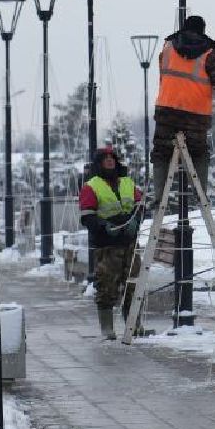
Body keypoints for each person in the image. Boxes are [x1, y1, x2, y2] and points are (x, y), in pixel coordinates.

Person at [148, 15, 215, 208]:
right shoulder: (209, 54)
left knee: (161, 154)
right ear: (203, 30)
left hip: (166, 113)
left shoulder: (167, 48)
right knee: (199, 154)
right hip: (196, 117)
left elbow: (164, 72)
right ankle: (200, 195)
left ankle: (159, 197)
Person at [79, 146, 143, 340]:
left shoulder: (127, 182)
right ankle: (107, 328)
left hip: (129, 242)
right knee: (107, 286)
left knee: (133, 284)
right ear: (98, 164)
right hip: (107, 245)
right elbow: (87, 216)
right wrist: (104, 226)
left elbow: (140, 205)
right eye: (105, 158)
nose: (110, 161)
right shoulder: (91, 186)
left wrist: (135, 221)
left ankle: (134, 325)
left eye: (112, 158)